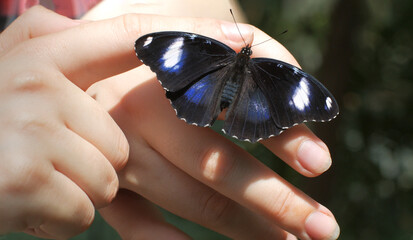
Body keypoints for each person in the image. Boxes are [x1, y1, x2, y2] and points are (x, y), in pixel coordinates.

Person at [0, 1, 340, 240]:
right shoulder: (275, 75)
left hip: (189, 110)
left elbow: (218, 7)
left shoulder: (217, 52)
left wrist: (204, 6)